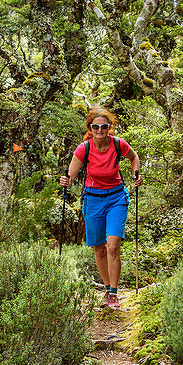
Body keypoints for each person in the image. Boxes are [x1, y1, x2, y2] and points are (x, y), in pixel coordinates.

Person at [59, 106, 142, 309]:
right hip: (93, 200)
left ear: (109, 127)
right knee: (99, 248)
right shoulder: (84, 148)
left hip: (116, 198)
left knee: (112, 246)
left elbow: (134, 157)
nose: (99, 130)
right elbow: (71, 175)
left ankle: (114, 293)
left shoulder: (118, 144)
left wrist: (136, 174)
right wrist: (65, 181)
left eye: (104, 126)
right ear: (90, 128)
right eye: (95, 126)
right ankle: (106, 288)